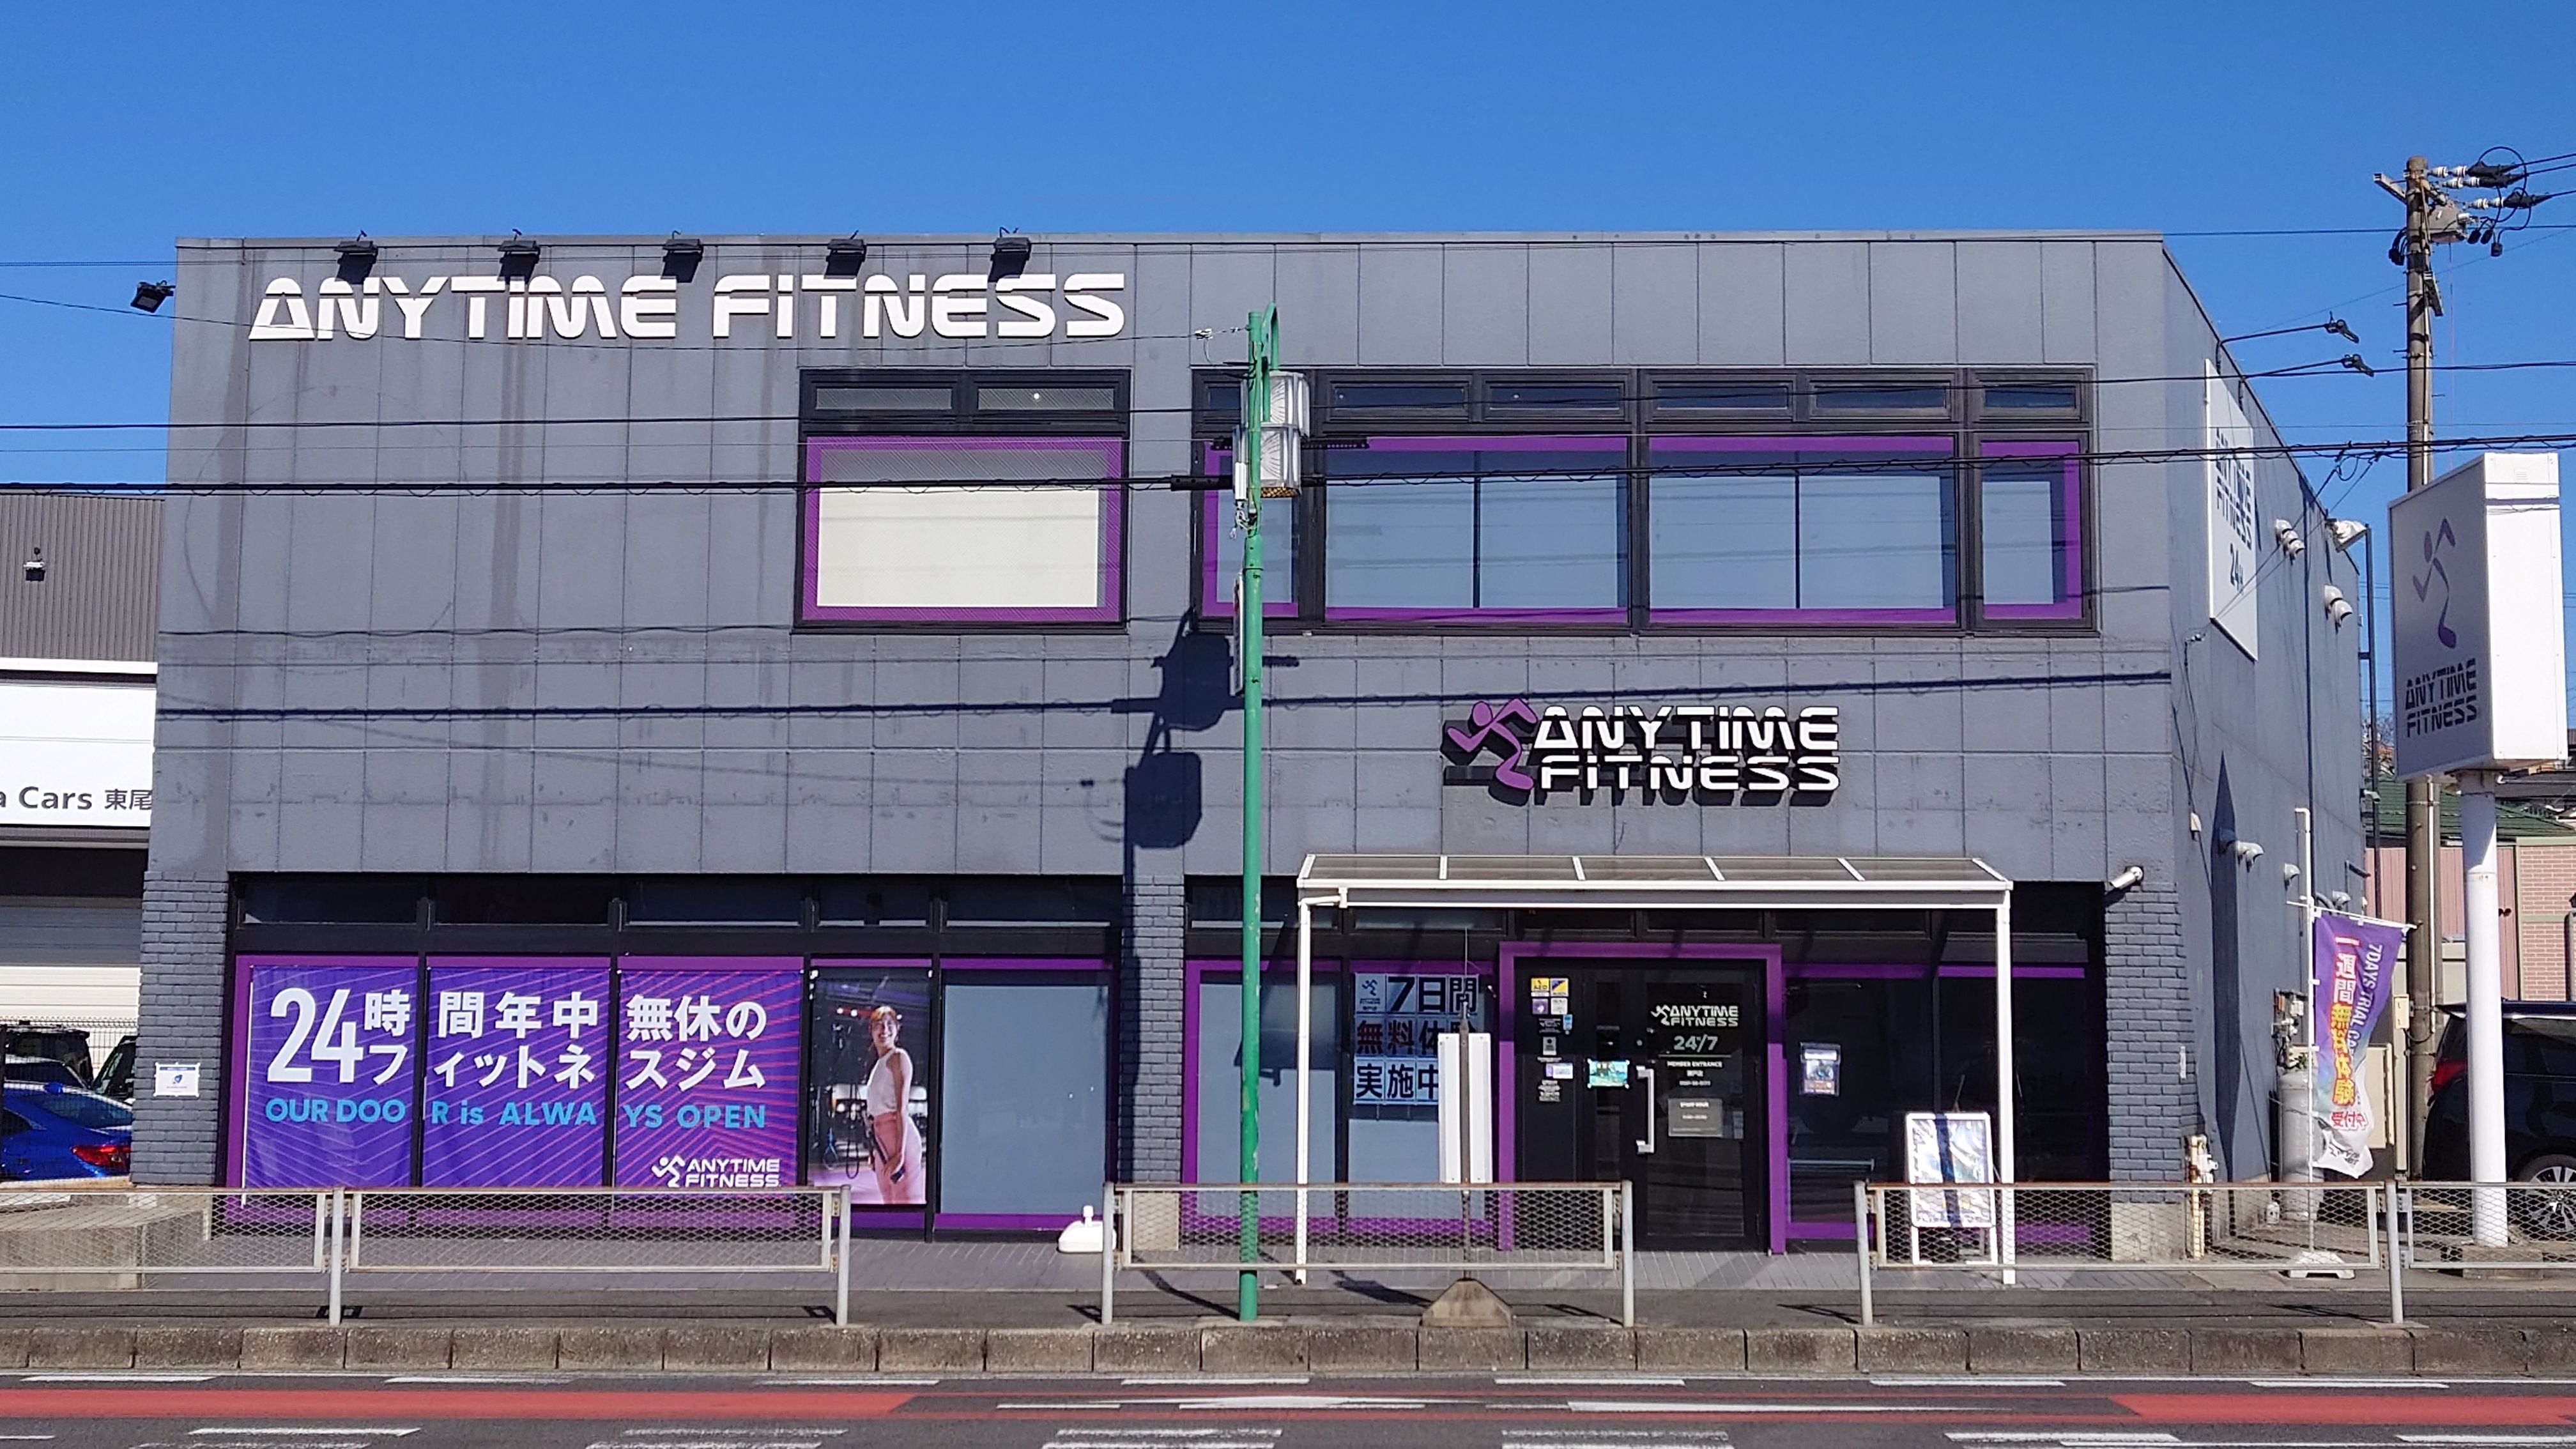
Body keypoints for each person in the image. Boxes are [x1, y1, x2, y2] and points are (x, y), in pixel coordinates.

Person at [862, 1004, 924, 1205]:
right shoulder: (878, 1065)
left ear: (897, 1030)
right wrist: (876, 1150)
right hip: (881, 1141)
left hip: (899, 1137)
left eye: (890, 1024)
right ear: (871, 1031)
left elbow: (901, 1109)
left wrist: (899, 1153)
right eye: (878, 1025)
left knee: (906, 1203)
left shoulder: (899, 1057)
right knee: (889, 1203)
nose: (884, 1030)